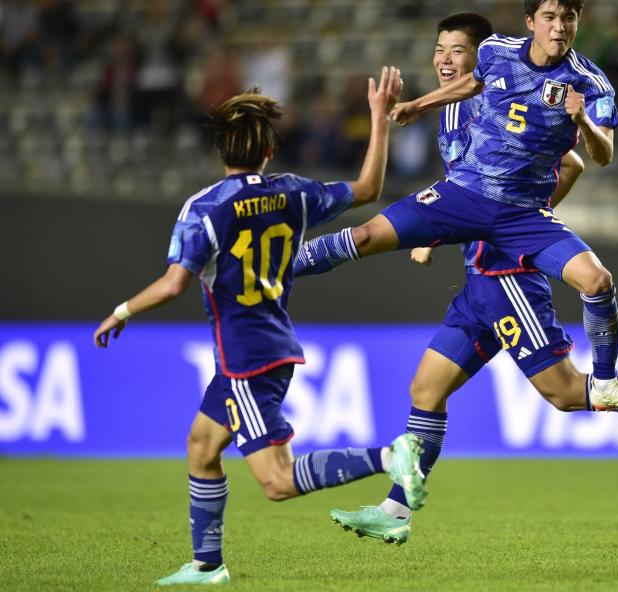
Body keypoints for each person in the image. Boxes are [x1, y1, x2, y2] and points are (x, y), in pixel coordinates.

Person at [312, 13, 618, 546]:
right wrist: (435, 234)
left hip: (506, 274)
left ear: (483, 59)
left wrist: (521, 229)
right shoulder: (449, 113)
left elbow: (577, 165)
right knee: (426, 388)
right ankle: (397, 510)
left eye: (459, 51)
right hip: (477, 280)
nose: (446, 60)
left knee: (563, 392)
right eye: (439, 50)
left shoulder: (506, 97)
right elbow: (463, 191)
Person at [92, 70, 428, 586]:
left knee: (275, 481)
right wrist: (380, 121)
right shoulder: (293, 193)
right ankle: (207, 566)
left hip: (247, 356)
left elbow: (172, 284)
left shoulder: (204, 208)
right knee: (202, 447)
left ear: (221, 149)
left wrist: (121, 311)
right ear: (268, 151)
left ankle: (389, 454)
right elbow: (367, 188)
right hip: (265, 345)